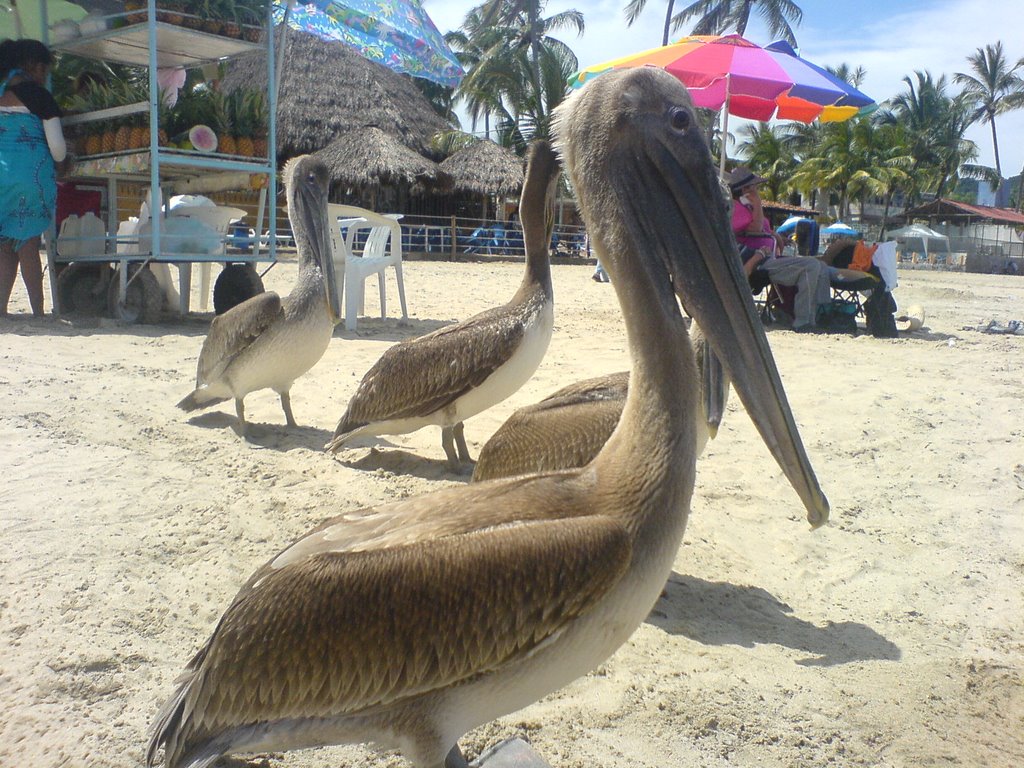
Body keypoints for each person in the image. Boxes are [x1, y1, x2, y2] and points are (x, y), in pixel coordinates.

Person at [0, 38, 69, 317]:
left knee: (4, 245)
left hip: (1, 177)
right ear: (33, 65)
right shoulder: (39, 97)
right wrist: (65, 163)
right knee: (28, 243)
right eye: (45, 71)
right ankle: (39, 311)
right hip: (29, 177)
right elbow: (57, 147)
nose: (45, 77)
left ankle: (2, 311)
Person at [724, 166, 833, 332]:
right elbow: (755, 229)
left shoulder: (748, 208)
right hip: (757, 260)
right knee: (811, 265)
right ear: (744, 189)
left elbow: (763, 231)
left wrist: (777, 237)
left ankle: (821, 314)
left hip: (770, 258)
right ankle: (803, 321)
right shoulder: (736, 208)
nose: (757, 190)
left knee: (822, 267)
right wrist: (758, 204)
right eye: (753, 187)